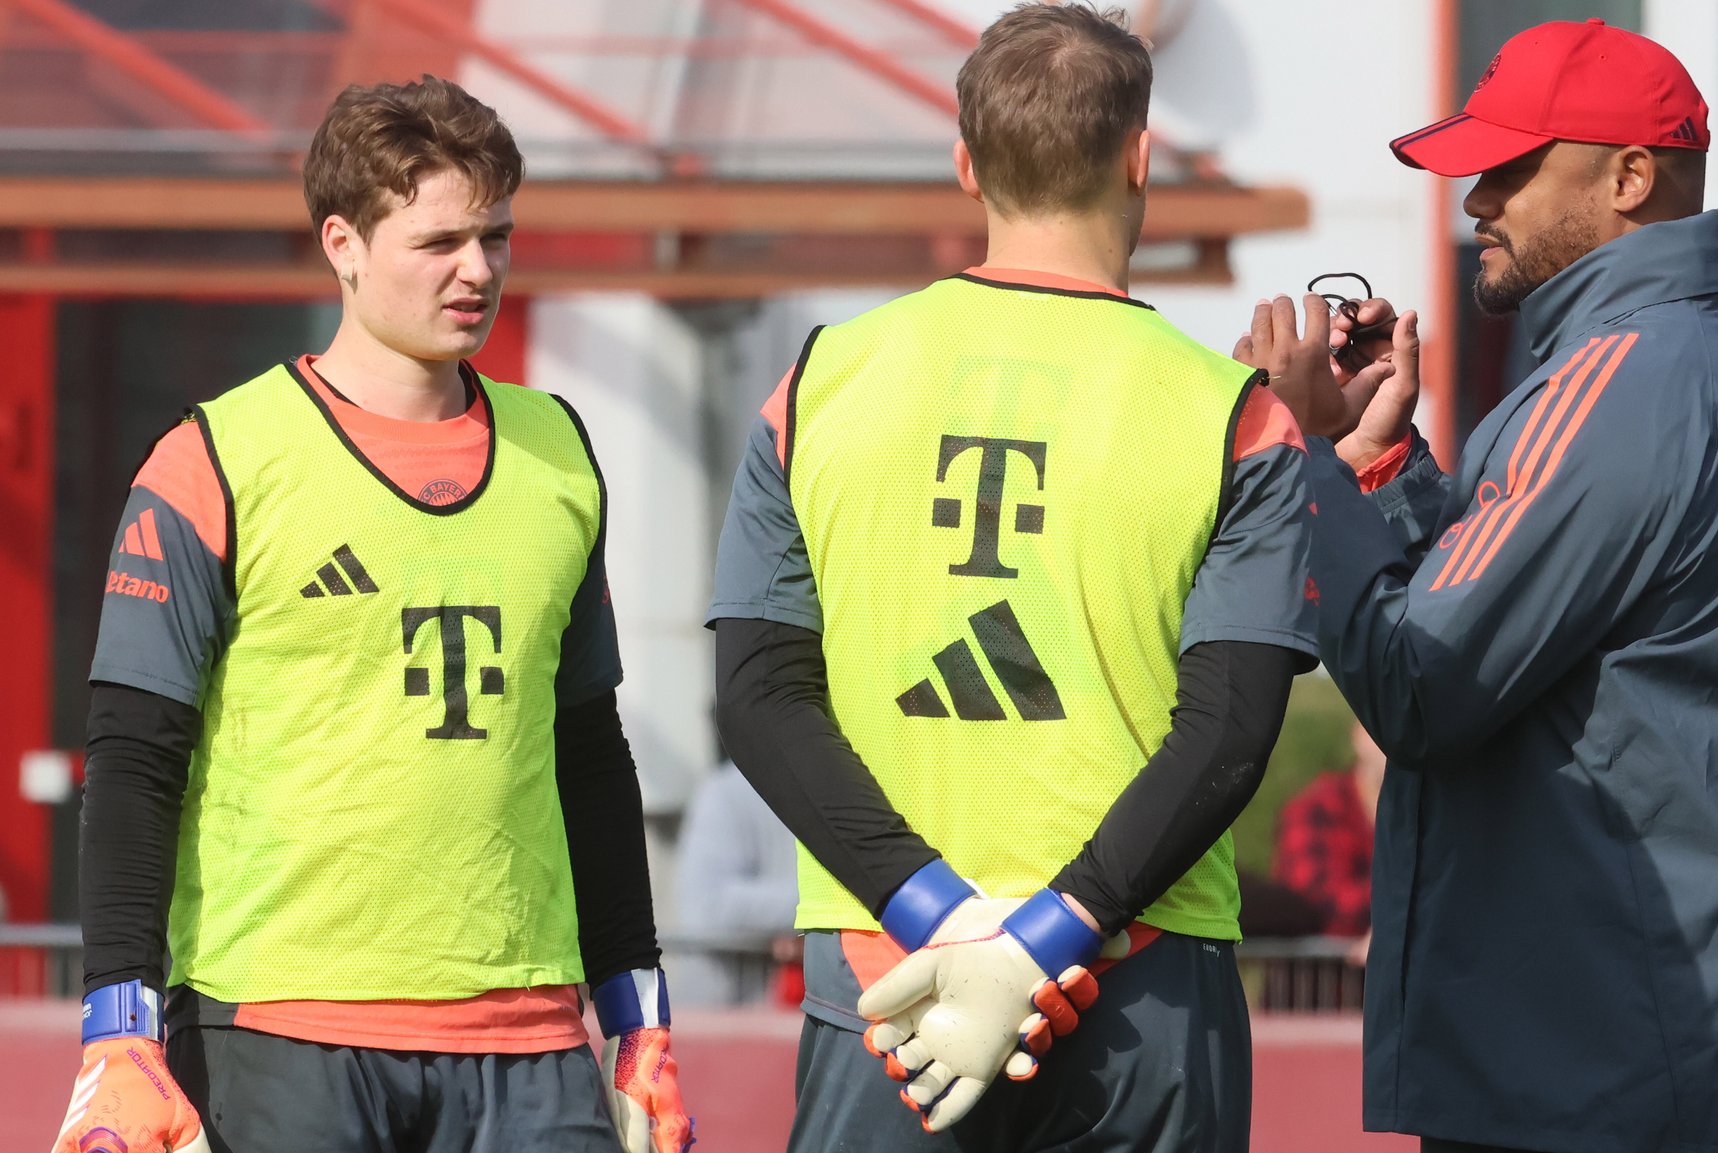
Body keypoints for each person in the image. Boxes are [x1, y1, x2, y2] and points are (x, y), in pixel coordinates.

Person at [1242, 19, 1718, 1153]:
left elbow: (1416, 683)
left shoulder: (1622, 380)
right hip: (1683, 1024)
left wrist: (1293, 461)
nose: (1477, 200)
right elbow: (1536, 621)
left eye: (1511, 168)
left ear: (1628, 176)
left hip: (1600, 1047)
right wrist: (1378, 467)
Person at [707, 5, 1315, 1149]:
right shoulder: (1234, 416)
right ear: (1139, 159)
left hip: (886, 976)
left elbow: (756, 694)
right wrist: (1042, 933)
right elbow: (1230, 726)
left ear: (964, 163)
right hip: (1138, 973)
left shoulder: (818, 383)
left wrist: (933, 911)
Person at [55, 77, 690, 1153]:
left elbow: (588, 749)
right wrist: (116, 1028)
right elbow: (133, 758)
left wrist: (639, 1020)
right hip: (283, 1029)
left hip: (531, 1036)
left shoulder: (560, 453)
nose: (477, 270)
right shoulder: (214, 459)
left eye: (495, 235)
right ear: (342, 243)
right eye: (439, 240)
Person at [670, 760, 800, 1006]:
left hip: (801, 1014)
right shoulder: (725, 792)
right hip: (723, 1014)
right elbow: (705, 905)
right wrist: (821, 916)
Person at [1271, 721, 1384, 963]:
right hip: (1314, 990)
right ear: (1359, 735)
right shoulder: (1317, 808)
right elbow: (1315, 899)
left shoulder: (1437, 814)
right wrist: (1402, 917)